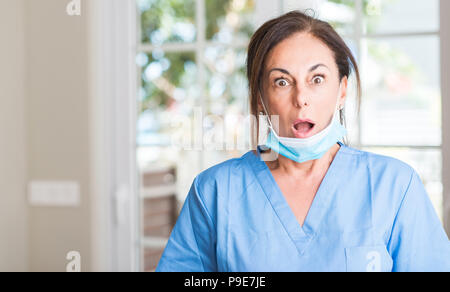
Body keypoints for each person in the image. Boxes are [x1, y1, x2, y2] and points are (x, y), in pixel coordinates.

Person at [155, 10, 450, 272]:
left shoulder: (395, 186)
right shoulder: (215, 192)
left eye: (317, 79)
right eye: (282, 81)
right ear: (260, 98)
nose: (301, 98)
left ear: (342, 90)